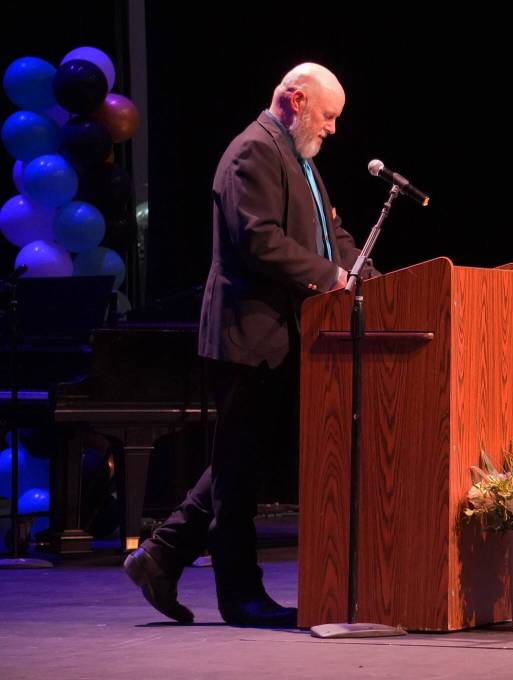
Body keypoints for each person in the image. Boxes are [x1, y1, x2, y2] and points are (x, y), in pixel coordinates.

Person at [123, 63, 378, 627]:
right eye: (328, 116)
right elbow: (259, 240)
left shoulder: (300, 159)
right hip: (248, 335)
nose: (333, 128)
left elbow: (330, 235)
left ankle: (161, 556)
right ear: (296, 100)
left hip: (279, 337)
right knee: (238, 472)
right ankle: (238, 595)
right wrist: (332, 278)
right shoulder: (252, 152)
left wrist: (373, 280)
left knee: (238, 460)